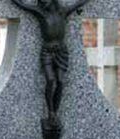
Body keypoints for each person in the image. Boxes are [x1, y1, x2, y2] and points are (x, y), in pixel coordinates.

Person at [11, 0, 90, 128]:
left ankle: (55, 113)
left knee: (60, 81)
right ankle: (51, 112)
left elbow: (79, 4)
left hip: (61, 52)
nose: (43, 1)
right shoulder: (40, 13)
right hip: (47, 51)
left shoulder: (62, 12)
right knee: (50, 80)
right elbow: (22, 5)